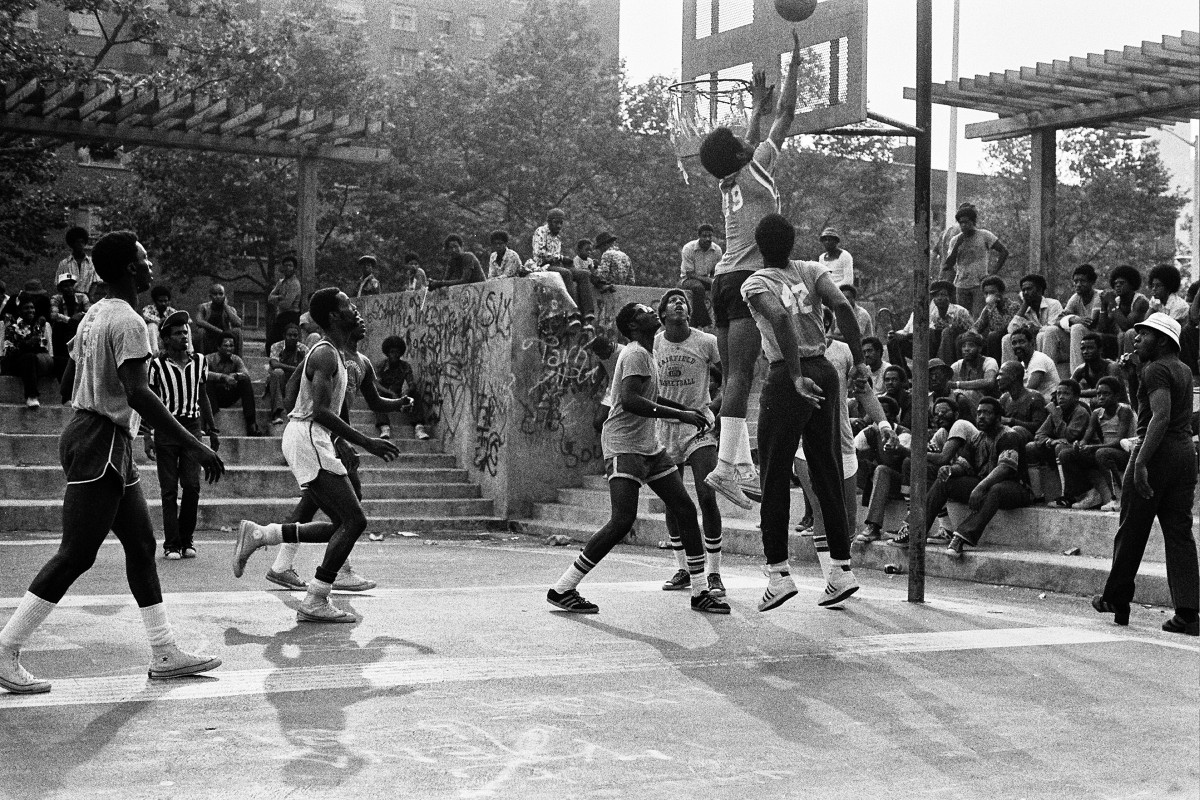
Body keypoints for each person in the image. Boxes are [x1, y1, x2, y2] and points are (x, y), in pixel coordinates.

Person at [0, 230, 224, 695]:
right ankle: (5, 649)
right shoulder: (129, 321)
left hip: (102, 435)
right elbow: (140, 392)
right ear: (128, 269)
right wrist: (195, 444)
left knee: (142, 545)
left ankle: (164, 653)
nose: (150, 266)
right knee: (77, 553)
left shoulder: (93, 315)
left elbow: (67, 378)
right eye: (144, 260)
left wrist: (96, 393)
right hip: (100, 438)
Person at [546, 302, 728, 615]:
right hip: (623, 446)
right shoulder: (635, 353)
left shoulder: (647, 353)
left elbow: (649, 396)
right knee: (622, 520)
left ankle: (700, 591)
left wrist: (686, 413)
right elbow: (630, 401)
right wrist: (681, 413)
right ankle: (564, 587)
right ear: (633, 325)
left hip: (649, 446)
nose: (651, 311)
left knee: (684, 509)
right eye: (643, 310)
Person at [232, 288, 401, 622]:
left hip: (314, 436)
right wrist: (366, 442)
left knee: (343, 524)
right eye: (347, 305)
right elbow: (320, 411)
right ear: (335, 316)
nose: (354, 309)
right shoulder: (324, 353)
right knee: (354, 520)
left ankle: (263, 535)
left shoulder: (340, 355)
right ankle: (315, 599)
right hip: (309, 435)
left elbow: (327, 407)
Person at [741, 212, 871, 610]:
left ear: (758, 246)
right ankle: (839, 570)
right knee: (826, 468)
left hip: (788, 374)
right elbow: (844, 309)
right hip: (826, 367)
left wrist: (795, 375)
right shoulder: (812, 268)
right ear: (793, 243)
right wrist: (861, 360)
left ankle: (779, 573)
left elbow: (779, 316)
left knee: (775, 473)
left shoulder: (756, 281)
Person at [697, 33, 804, 511]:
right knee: (744, 374)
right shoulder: (757, 166)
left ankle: (736, 464)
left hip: (721, 279)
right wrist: (797, 66)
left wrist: (754, 107)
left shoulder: (727, 181)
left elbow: (752, 135)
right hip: (745, 278)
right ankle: (724, 468)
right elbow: (786, 119)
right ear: (741, 152)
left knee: (739, 374)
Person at [263, 309, 412, 594]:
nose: (361, 318)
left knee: (315, 503)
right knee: (350, 508)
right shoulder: (327, 353)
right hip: (318, 434)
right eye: (355, 315)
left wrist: (398, 403)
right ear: (339, 321)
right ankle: (337, 572)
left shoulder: (362, 362)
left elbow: (374, 400)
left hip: (328, 434)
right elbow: (299, 388)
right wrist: (335, 436)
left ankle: (282, 565)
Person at [1093, 313, 1198, 636]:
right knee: (1179, 534)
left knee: (1132, 529)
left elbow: (1159, 418)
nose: (1136, 338)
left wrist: (1139, 462)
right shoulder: (1181, 369)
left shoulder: (1155, 369)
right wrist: (1130, 378)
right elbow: (1150, 411)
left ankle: (1117, 599)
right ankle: (1188, 612)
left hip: (1156, 454)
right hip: (1184, 456)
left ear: (1163, 340)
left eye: (1145, 334)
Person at [653, 289, 724, 595]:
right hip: (665, 428)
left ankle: (714, 572)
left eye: (683, 300)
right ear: (663, 313)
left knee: (707, 495)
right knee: (674, 500)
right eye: (673, 301)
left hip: (697, 426)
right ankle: (682, 566)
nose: (679, 303)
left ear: (689, 312)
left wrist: (714, 409)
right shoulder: (654, 343)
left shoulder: (706, 342)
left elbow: (730, 377)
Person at [144, 311, 219, 560]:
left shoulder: (199, 361)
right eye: (178, 333)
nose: (184, 336)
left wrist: (212, 428)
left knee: (192, 485)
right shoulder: (156, 365)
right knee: (168, 490)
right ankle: (171, 544)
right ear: (166, 338)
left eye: (185, 332)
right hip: (166, 428)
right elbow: (150, 402)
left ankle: (187, 539)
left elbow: (203, 396)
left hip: (193, 426)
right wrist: (147, 435)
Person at [938, 397, 1035, 559]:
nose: (981, 417)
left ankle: (961, 536)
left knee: (996, 488)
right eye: (979, 413)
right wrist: (950, 469)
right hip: (986, 486)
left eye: (987, 413)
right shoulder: (977, 438)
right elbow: (963, 465)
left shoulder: (1009, 436)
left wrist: (979, 487)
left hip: (1016, 488)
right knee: (945, 480)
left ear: (998, 418)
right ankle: (916, 528)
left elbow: (1005, 468)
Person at [881, 397, 978, 549]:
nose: (939, 416)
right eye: (936, 413)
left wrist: (905, 450)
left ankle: (916, 525)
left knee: (925, 466)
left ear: (956, 414)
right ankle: (920, 522)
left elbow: (942, 458)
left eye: (944, 412)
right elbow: (926, 455)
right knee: (911, 464)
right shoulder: (942, 433)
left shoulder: (960, 425)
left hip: (976, 477)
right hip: (957, 476)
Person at [1060, 376, 1134, 511]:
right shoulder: (1096, 413)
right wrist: (1080, 444)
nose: (1101, 397)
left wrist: (1094, 447)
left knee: (1102, 453)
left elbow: (1119, 441)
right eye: (1099, 394)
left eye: (1106, 394)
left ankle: (1117, 497)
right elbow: (1086, 437)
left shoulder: (1124, 411)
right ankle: (1086, 494)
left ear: (1116, 395)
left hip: (1124, 452)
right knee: (1067, 454)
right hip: (1105, 450)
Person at [1024, 378, 1091, 506]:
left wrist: (1055, 416)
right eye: (1059, 393)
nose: (1061, 397)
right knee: (1030, 448)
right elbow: (1039, 435)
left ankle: (1067, 495)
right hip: (1059, 450)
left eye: (1066, 394)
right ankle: (1038, 496)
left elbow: (1070, 436)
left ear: (1076, 397)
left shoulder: (1080, 412)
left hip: (1080, 452)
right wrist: (1049, 441)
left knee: (1060, 448)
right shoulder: (1058, 411)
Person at [531, 208, 597, 321]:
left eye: (561, 223)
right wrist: (561, 257)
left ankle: (588, 312)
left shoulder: (558, 238)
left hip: (556, 265)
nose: (559, 226)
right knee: (566, 274)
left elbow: (557, 256)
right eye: (556, 222)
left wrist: (566, 261)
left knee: (584, 274)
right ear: (549, 222)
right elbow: (540, 253)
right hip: (542, 266)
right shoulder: (541, 232)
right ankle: (572, 310)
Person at [887, 280, 972, 367]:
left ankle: (943, 368)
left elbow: (971, 333)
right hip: (931, 347)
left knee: (945, 332)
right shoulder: (928, 312)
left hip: (954, 347)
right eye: (936, 295)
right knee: (893, 342)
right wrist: (897, 335)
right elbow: (912, 332)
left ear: (949, 297)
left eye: (943, 295)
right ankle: (903, 374)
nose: (939, 298)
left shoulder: (960, 312)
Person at [942, 204, 1008, 315]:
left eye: (966, 222)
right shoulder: (955, 240)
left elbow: (1004, 251)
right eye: (961, 223)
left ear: (973, 222)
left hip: (980, 284)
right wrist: (957, 245)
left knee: (979, 315)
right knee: (963, 317)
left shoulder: (984, 235)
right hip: (961, 284)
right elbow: (948, 265)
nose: (964, 225)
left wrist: (993, 273)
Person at [1045, 263, 1102, 374]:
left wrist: (1074, 321)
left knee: (1077, 328)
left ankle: (1079, 377)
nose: (1078, 285)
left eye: (1082, 281)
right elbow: (1057, 320)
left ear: (1092, 282)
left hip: (1097, 339)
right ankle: (1048, 374)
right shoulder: (1076, 298)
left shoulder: (1098, 296)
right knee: (1051, 331)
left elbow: (1092, 322)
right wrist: (1072, 319)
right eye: (1076, 282)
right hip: (1079, 340)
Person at [374, 335, 432, 440]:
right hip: (385, 395)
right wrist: (390, 393)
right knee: (378, 395)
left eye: (397, 352)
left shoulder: (405, 366)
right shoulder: (381, 365)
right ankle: (384, 427)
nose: (395, 355)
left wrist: (407, 394)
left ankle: (419, 427)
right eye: (392, 352)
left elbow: (412, 384)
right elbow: (376, 384)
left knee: (416, 395)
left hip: (399, 396)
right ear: (388, 353)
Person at [205, 333, 263, 436]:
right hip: (213, 396)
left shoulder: (236, 359)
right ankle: (210, 424)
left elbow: (246, 374)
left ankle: (251, 424)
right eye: (225, 345)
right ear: (218, 347)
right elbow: (202, 373)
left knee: (245, 381)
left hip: (230, 394)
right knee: (206, 382)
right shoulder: (208, 359)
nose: (229, 349)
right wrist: (223, 377)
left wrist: (235, 375)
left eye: (231, 346)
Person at [1, 300, 53, 408]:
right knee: (29, 358)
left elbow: (44, 347)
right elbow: (10, 351)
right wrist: (27, 344)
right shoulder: (12, 327)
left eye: (32, 308)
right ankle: (31, 396)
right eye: (26, 308)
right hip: (16, 363)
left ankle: (67, 397)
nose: (30, 310)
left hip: (36, 361)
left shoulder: (38, 326)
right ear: (20, 311)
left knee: (62, 360)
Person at [1002, 274, 1063, 365]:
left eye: (1029, 289)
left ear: (1039, 290)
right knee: (1007, 338)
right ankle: (1009, 371)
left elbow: (1053, 328)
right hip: (1033, 345)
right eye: (1023, 290)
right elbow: (1011, 330)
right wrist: (1024, 305)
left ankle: (1045, 368)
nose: (1026, 292)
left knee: (1042, 335)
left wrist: (1037, 329)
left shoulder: (1053, 304)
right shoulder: (1024, 310)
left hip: (1053, 345)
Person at [1099, 265, 1149, 357]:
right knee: (1099, 337)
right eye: (1115, 284)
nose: (1117, 286)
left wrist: (1111, 303)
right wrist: (1103, 304)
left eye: (1121, 283)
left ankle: (1125, 367)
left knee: (1123, 335)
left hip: (1139, 339)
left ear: (1131, 284)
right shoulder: (1117, 301)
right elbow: (1103, 328)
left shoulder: (1140, 301)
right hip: (1120, 339)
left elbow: (1126, 326)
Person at [48, 273, 89, 383]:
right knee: (59, 327)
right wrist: (71, 320)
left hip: (78, 330)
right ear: (60, 288)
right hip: (63, 332)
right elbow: (54, 315)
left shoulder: (82, 297)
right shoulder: (56, 298)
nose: (69, 288)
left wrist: (78, 317)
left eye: (71, 285)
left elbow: (89, 313)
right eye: (66, 286)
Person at [679, 223, 721, 328]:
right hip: (688, 279)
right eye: (704, 236)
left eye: (710, 236)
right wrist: (709, 280)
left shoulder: (717, 250)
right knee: (698, 288)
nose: (707, 239)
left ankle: (719, 319)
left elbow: (715, 271)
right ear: (699, 237)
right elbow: (690, 273)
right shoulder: (689, 248)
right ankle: (703, 321)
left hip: (706, 278)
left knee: (721, 287)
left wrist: (713, 280)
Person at [996, 360, 1049, 444]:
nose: (997, 378)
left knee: (1016, 430)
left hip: (1032, 440)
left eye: (1001, 374)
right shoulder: (1004, 398)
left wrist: (1012, 421)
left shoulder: (1035, 398)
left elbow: (1039, 426)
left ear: (1013, 376)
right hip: (1007, 437)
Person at [972, 276, 1022, 362]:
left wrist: (993, 308)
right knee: (966, 339)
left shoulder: (1014, 306)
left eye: (992, 293)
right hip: (992, 342)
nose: (988, 296)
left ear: (1001, 292)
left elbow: (1008, 328)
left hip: (1009, 340)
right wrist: (973, 334)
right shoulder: (988, 309)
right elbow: (977, 326)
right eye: (986, 293)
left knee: (993, 336)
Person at [266, 321, 307, 425]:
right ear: (284, 336)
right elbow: (274, 364)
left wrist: (292, 369)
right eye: (289, 335)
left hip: (296, 382)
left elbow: (306, 368)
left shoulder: (303, 349)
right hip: (280, 381)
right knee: (277, 372)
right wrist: (294, 368)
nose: (292, 338)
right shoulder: (276, 346)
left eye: (295, 335)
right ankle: (277, 413)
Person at [1008, 325, 1060, 402]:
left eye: (1021, 342)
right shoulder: (1022, 365)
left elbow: (1029, 390)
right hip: (1036, 402)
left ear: (1032, 343)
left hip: (1051, 403)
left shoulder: (1039, 359)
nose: (1017, 346)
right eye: (1014, 343)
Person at [949, 330, 999, 404]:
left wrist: (957, 384)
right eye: (963, 346)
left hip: (988, 405)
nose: (966, 349)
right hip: (963, 403)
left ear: (979, 348)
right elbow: (947, 384)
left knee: (967, 394)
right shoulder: (957, 365)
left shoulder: (989, 362)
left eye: (971, 345)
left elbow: (989, 382)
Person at [267, 255, 303, 351]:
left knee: (281, 344)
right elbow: (269, 298)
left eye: (290, 266)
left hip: (291, 317)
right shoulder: (280, 282)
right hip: (280, 316)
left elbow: (286, 305)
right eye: (285, 265)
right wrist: (279, 297)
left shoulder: (295, 284)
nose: (287, 268)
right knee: (271, 344)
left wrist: (277, 301)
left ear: (294, 268)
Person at [195, 283, 243, 356]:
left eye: (221, 294)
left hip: (224, 338)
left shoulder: (230, 309)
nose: (218, 296)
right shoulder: (203, 307)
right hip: (209, 338)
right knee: (200, 331)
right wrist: (218, 330)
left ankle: (238, 362)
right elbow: (199, 321)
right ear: (210, 296)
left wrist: (225, 306)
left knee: (238, 331)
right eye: (215, 294)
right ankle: (201, 360)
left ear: (225, 296)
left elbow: (238, 323)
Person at [1071, 332, 1121, 400]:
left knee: (1095, 401)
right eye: (1083, 348)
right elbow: (1067, 386)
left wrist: (1076, 393)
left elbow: (1106, 390)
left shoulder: (1111, 366)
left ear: (1100, 350)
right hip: (1100, 406)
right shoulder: (1081, 369)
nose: (1085, 351)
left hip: (1120, 406)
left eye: (1090, 348)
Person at [57, 226, 96, 296]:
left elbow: (95, 282)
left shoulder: (91, 263)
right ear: (72, 244)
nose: (80, 245)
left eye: (82, 242)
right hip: (69, 299)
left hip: (86, 298)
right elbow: (58, 284)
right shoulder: (64, 264)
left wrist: (89, 297)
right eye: (77, 242)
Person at [141, 285, 177, 356]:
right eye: (160, 301)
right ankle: (154, 355)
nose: (163, 303)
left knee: (185, 326)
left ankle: (188, 352)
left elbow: (187, 320)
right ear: (155, 301)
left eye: (165, 301)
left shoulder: (171, 311)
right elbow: (146, 316)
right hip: (154, 339)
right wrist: (163, 321)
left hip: (167, 339)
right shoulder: (148, 309)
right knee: (152, 326)